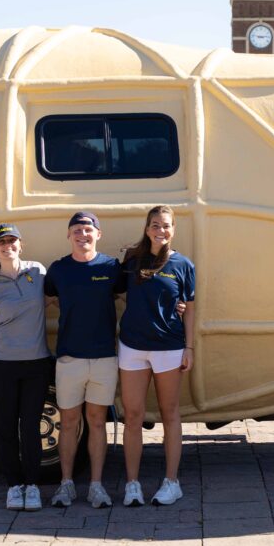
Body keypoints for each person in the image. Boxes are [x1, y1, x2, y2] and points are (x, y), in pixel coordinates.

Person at [118, 205, 196, 507]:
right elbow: (119, 293)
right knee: (133, 415)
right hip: (132, 347)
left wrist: (189, 347)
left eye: (165, 225)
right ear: (147, 228)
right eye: (154, 225)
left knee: (169, 414)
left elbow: (189, 309)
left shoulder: (183, 265)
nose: (160, 230)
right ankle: (132, 484)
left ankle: (171, 482)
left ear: (173, 229)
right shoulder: (132, 260)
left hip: (169, 348)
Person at [43, 211, 122, 509]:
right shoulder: (58, 270)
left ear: (98, 235)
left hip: (103, 357)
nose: (82, 234)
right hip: (69, 359)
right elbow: (48, 299)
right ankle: (66, 485)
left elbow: (131, 296)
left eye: (88, 229)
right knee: (68, 423)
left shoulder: (112, 267)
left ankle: (96, 487)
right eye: (76, 229)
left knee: (97, 422)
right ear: (68, 236)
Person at [0, 223, 53, 511]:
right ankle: (14, 485)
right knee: (4, 429)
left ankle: (32, 486)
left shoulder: (38, 272)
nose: (7, 246)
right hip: (1, 366)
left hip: (36, 363)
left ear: (21, 245)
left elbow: (58, 296)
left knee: (31, 427)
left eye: (12, 241)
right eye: (1, 242)